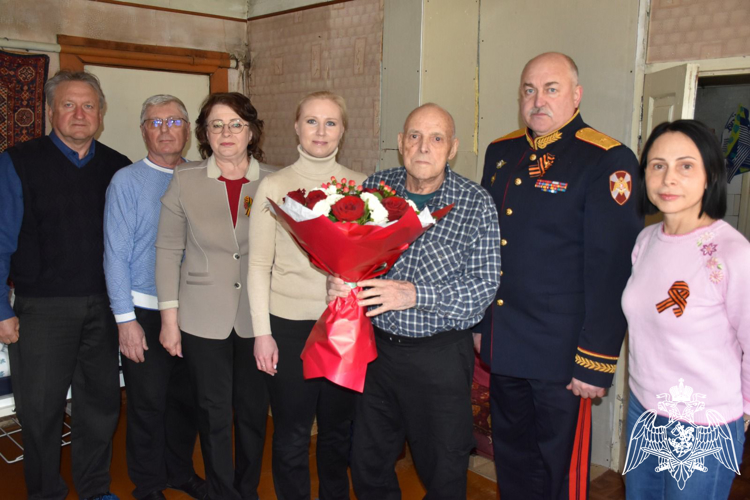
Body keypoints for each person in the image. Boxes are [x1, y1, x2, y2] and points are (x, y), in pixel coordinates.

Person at [476, 52, 642, 499]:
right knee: (510, 458)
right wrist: (482, 325)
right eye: (529, 90)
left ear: (576, 96)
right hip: (506, 343)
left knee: (558, 471)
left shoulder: (606, 159)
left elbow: (612, 269)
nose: (538, 100)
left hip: (563, 355)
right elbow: (488, 249)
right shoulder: (502, 151)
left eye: (551, 89)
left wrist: (596, 358)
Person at [327, 103, 502, 500]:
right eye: (415, 136)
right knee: (367, 462)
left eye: (436, 138)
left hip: (438, 360)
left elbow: (482, 290)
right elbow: (352, 258)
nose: (424, 147)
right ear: (400, 143)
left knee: (443, 469)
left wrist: (415, 294)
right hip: (376, 353)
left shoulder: (475, 203)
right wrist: (338, 283)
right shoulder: (375, 188)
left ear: (452, 148)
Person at [0, 70, 131, 500]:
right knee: (40, 411)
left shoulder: (117, 168)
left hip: (104, 306)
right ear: (50, 110)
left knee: (100, 406)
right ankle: (45, 492)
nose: (79, 114)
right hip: (41, 309)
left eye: (89, 105)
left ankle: (94, 489)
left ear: (101, 113)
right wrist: (1, 309)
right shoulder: (18, 161)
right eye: (69, 105)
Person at [622, 120, 750, 499]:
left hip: (702, 423)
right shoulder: (646, 240)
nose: (668, 178)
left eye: (685, 166)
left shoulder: (732, 253)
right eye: (657, 165)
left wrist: (742, 408)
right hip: (644, 410)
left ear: (710, 175)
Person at [155, 92, 274, 500]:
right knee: (214, 412)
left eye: (236, 124)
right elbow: (168, 251)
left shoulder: (274, 180)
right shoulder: (185, 179)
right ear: (204, 134)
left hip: (259, 318)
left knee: (254, 414)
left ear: (251, 131)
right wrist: (169, 321)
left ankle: (247, 489)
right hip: (202, 317)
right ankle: (223, 493)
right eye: (216, 125)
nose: (227, 133)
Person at [249, 91, 366, 500]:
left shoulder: (361, 186)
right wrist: (262, 334)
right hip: (288, 328)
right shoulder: (274, 185)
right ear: (297, 127)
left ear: (343, 131)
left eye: (330, 122)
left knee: (337, 432)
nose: (321, 130)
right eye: (311, 121)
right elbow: (258, 266)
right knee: (293, 433)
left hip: (343, 328)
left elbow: (373, 261)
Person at [104, 94, 206, 500]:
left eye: (175, 122)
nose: (166, 130)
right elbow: (115, 255)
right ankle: (147, 485)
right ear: (143, 129)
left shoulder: (202, 176)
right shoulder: (126, 181)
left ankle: (179, 472)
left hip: (195, 313)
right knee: (147, 405)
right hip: (144, 312)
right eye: (156, 122)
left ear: (188, 130)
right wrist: (125, 321)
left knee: (188, 402)